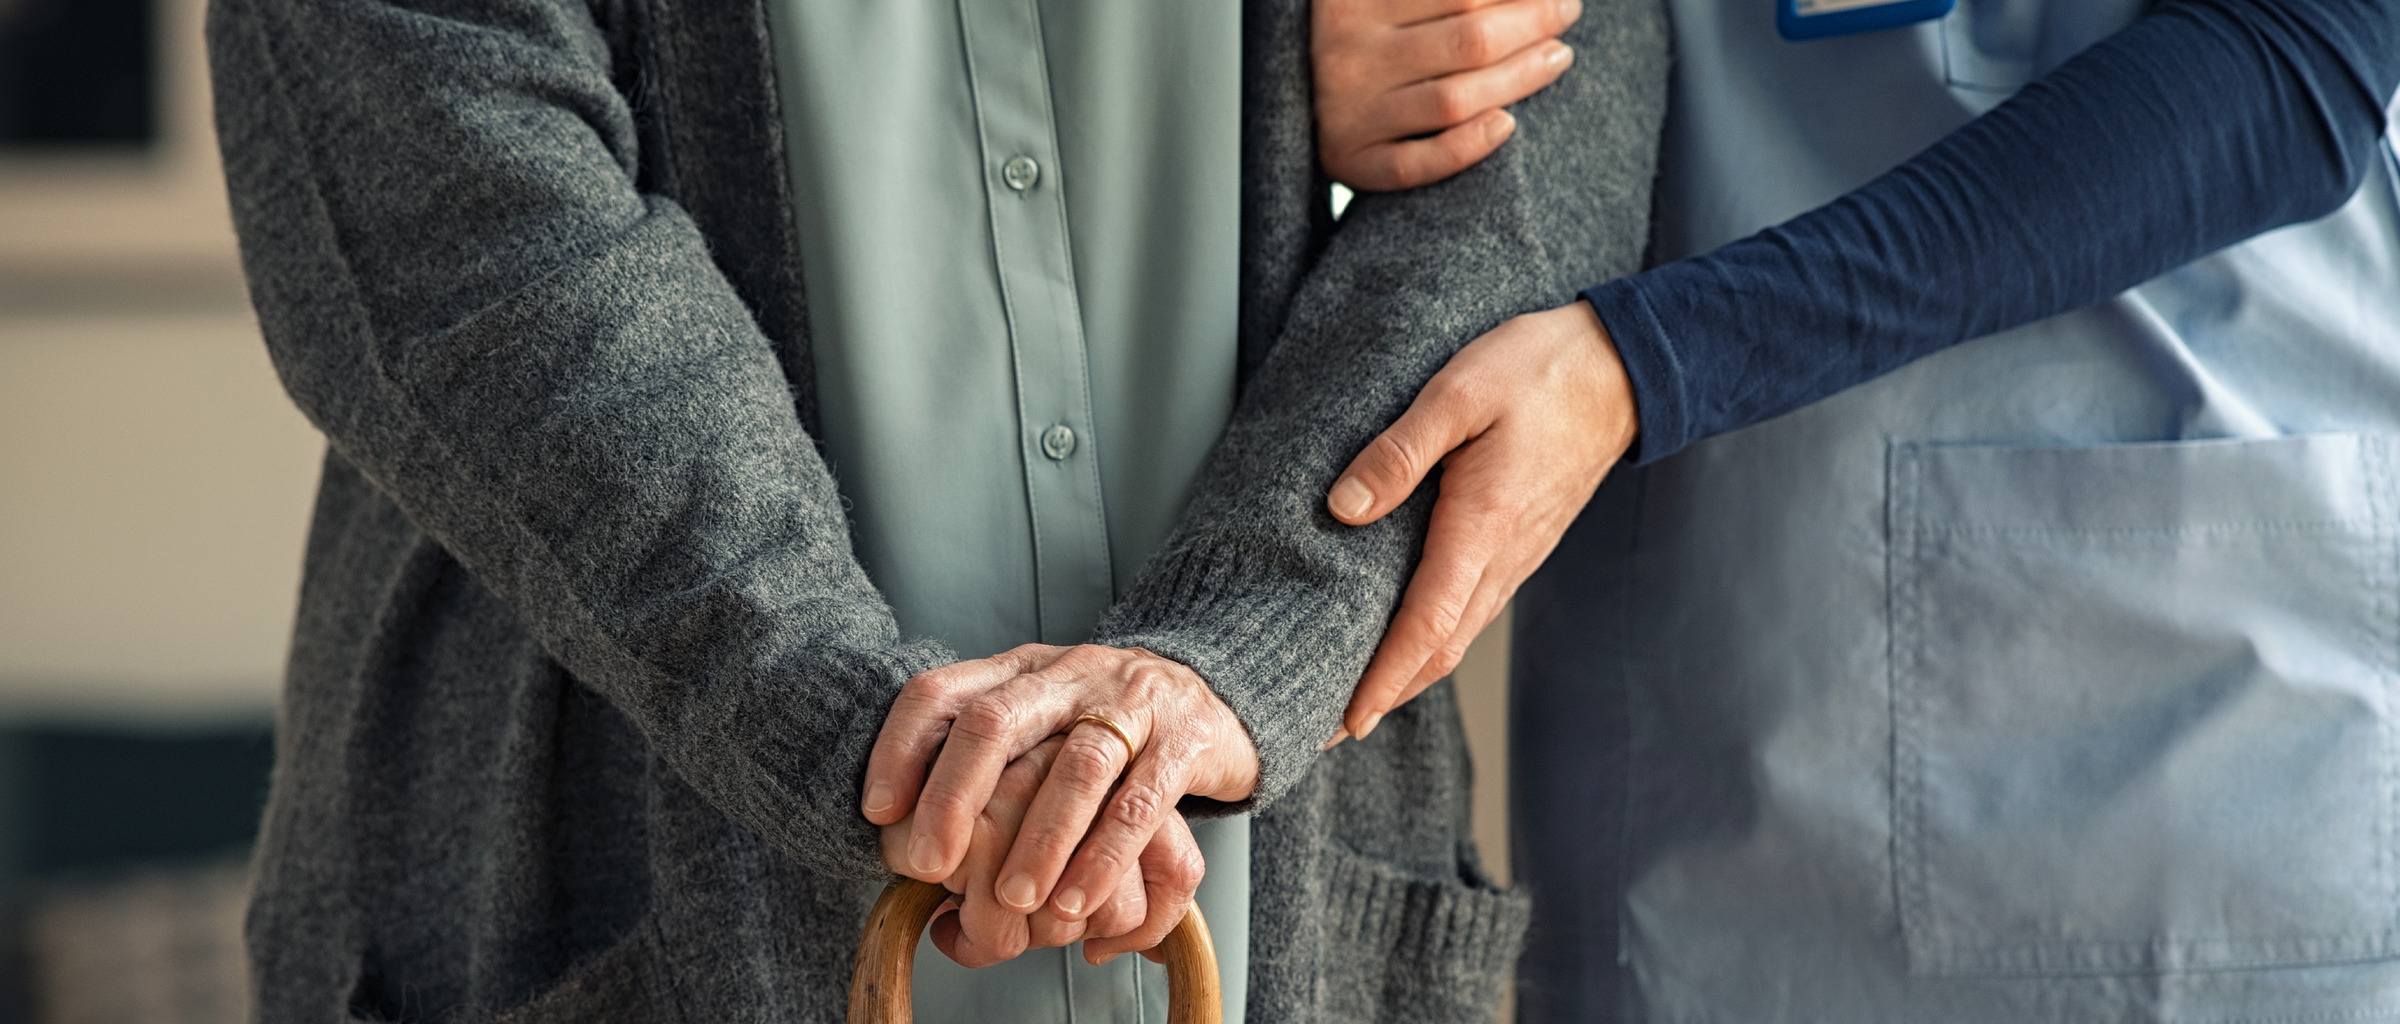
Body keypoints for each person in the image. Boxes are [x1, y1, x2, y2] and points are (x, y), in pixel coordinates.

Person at [204, 0, 1653, 1020]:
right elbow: (473, 236)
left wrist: (1237, 652)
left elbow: (1555, 111)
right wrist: (897, 747)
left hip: (1289, 904)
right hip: (619, 904)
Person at [1312, 0, 2400, 1019]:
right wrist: (1345, 70)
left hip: (2202, 725)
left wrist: (1656, 360)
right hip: (1709, 726)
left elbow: (2294, 56)